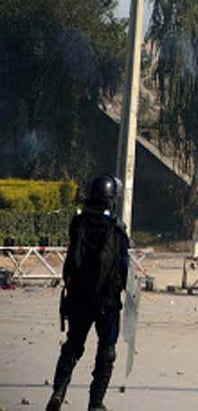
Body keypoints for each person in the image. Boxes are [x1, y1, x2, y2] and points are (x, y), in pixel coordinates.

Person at [46, 174, 130, 411]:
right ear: (111, 199)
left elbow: (70, 262)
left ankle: (59, 392)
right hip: (107, 301)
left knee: (73, 345)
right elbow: (123, 267)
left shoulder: (78, 223)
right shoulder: (116, 229)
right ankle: (95, 403)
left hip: (79, 297)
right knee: (107, 350)